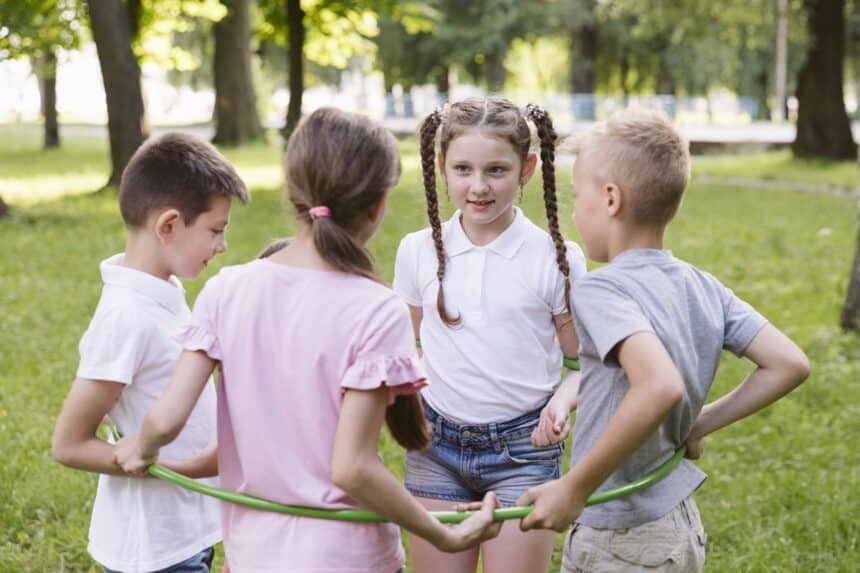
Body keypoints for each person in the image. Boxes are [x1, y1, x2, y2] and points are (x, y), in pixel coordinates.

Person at [115, 108, 502, 573]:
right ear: (377, 206)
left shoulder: (225, 290)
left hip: (253, 558)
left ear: (293, 191)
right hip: (350, 560)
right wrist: (440, 532)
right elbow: (352, 468)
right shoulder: (378, 310)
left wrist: (144, 448)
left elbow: (167, 418)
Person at [517, 109, 811, 572]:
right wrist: (699, 423)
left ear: (610, 199)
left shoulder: (601, 289)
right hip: (676, 524)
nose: (573, 211)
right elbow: (789, 362)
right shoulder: (700, 284)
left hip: (621, 536)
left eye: (577, 197)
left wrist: (573, 488)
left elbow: (659, 386)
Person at [393, 96, 587, 573]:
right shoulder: (417, 251)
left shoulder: (554, 258)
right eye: (462, 168)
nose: (477, 187)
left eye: (496, 170)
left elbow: (590, 361)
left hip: (524, 450)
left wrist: (561, 401)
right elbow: (399, 349)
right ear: (441, 166)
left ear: (527, 168)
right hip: (435, 445)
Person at [52, 132, 250, 573]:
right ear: (169, 226)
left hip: (189, 525)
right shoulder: (127, 316)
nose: (222, 246)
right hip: (154, 547)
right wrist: (149, 459)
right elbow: (69, 442)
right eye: (216, 231)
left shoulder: (164, 291)